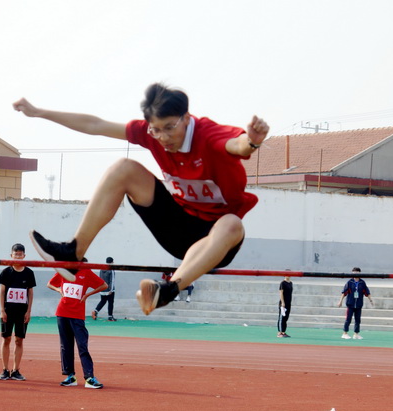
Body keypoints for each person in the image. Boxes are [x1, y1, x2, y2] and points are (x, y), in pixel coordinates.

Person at [14, 83, 269, 315]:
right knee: (124, 168)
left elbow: (237, 145)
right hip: (177, 227)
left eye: (170, 128)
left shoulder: (208, 135)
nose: (164, 138)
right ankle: (72, 254)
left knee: (232, 223)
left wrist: (252, 142)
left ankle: (168, 289)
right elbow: (96, 125)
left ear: (186, 119)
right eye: (156, 130)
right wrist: (39, 113)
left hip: (216, 241)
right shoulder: (151, 134)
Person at [47, 268, 107, 389]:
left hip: (77, 315)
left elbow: (104, 285)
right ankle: (70, 376)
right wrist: (58, 289)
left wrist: (87, 295)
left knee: (82, 345)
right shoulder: (64, 271)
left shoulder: (86, 272)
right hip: (62, 313)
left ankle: (89, 378)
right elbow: (49, 284)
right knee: (65, 346)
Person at [0, 243, 36, 381]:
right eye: (16, 254)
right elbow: (2, 292)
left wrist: (29, 311)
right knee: (6, 338)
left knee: (19, 340)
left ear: (24, 256)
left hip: (22, 312)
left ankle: (16, 370)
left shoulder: (29, 273)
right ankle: (4, 370)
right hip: (8, 311)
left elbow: (30, 293)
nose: (18, 256)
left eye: (20, 254)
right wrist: (2, 310)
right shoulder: (6, 272)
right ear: (11, 255)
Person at [338, 267, 374, 340]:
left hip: (358, 304)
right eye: (353, 273)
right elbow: (344, 292)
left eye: (357, 273)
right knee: (348, 319)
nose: (355, 275)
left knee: (358, 320)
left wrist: (371, 300)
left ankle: (356, 334)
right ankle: (345, 333)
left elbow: (367, 292)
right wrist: (340, 301)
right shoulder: (349, 282)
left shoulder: (362, 283)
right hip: (350, 304)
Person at [91, 257, 116, 321]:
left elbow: (100, 278)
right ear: (112, 262)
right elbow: (112, 280)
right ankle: (110, 316)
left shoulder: (102, 269)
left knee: (103, 301)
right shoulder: (111, 269)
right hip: (109, 289)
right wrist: (111, 290)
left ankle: (95, 311)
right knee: (110, 302)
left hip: (102, 288)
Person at [277, 273, 293, 338]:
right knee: (282, 318)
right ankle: (279, 332)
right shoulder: (282, 283)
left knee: (286, 318)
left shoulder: (291, 283)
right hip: (283, 303)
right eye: (287, 274)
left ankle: (283, 332)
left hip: (289, 303)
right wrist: (283, 302)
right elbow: (281, 293)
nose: (288, 275)